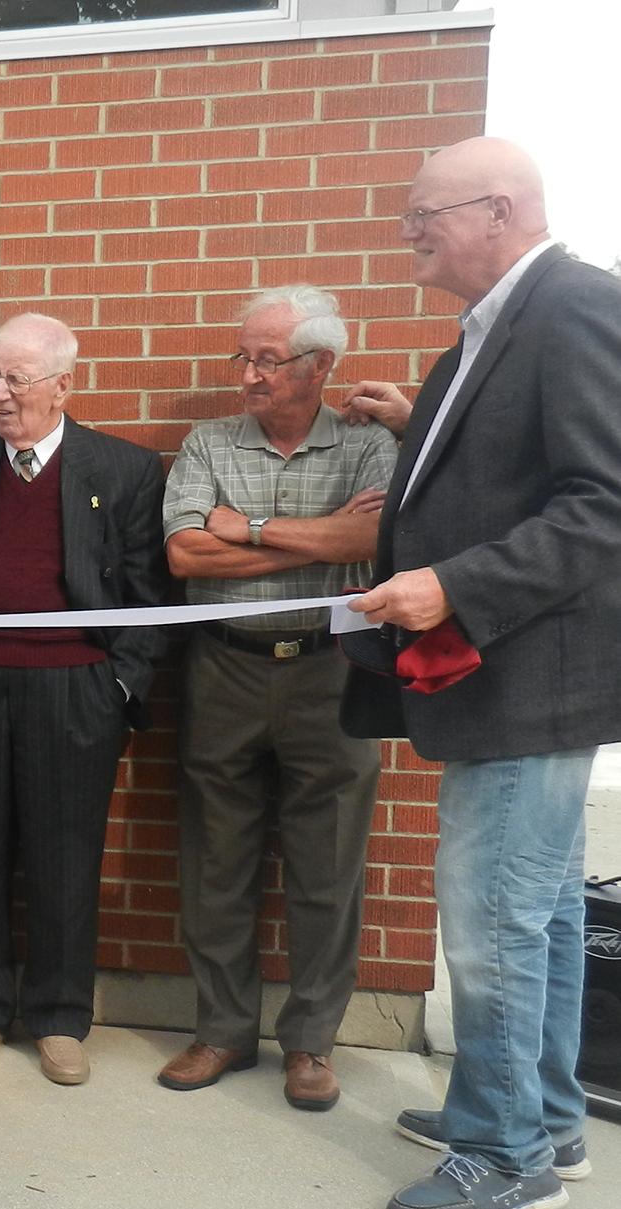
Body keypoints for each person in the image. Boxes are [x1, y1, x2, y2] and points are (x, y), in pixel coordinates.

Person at [341, 138, 621, 1209]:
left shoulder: (576, 307)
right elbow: (529, 465)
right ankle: (540, 1113)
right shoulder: (490, 330)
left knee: (497, 916)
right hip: (513, 678)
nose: (409, 234)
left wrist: (451, 582)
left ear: (497, 209)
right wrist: (424, 436)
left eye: (425, 215)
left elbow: (604, 502)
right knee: (542, 911)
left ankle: (505, 1154)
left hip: (527, 678)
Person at [0, 312, 167, 1086]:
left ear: (63, 386)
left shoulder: (123, 470)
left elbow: (149, 599)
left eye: (18, 379)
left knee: (65, 855)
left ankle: (57, 1015)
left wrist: (116, 685)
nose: (1, 394)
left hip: (76, 691)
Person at [157, 286, 397, 1112]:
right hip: (223, 668)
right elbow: (187, 554)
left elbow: (373, 540)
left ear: (320, 365)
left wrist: (249, 530)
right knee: (216, 858)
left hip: (333, 670)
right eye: (244, 358)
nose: (250, 376)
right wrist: (314, 536)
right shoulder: (208, 441)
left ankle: (311, 1043)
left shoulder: (368, 444)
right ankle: (221, 1029)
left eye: (269, 359)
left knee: (327, 864)